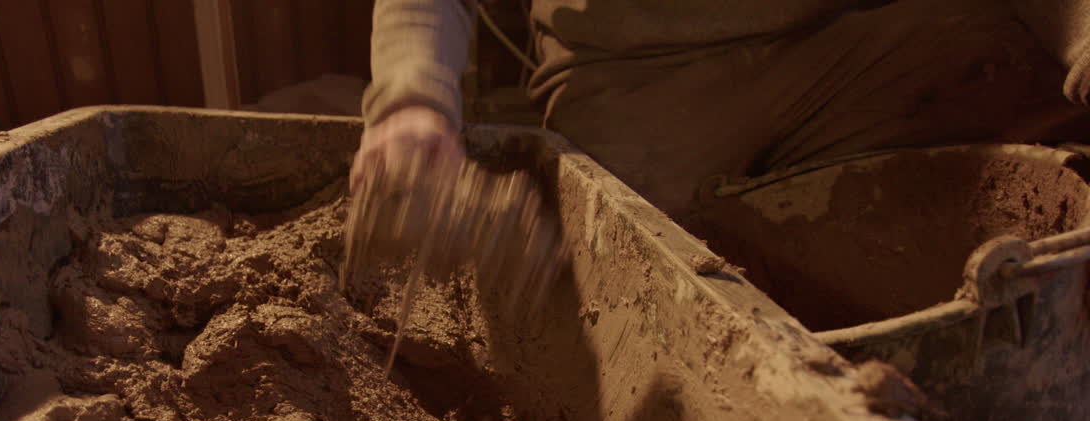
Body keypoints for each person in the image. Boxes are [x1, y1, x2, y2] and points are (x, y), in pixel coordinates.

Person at [351, 0, 1090, 217]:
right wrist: (412, 98)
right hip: (639, 79)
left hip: (843, 46)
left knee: (996, 44)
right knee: (649, 272)